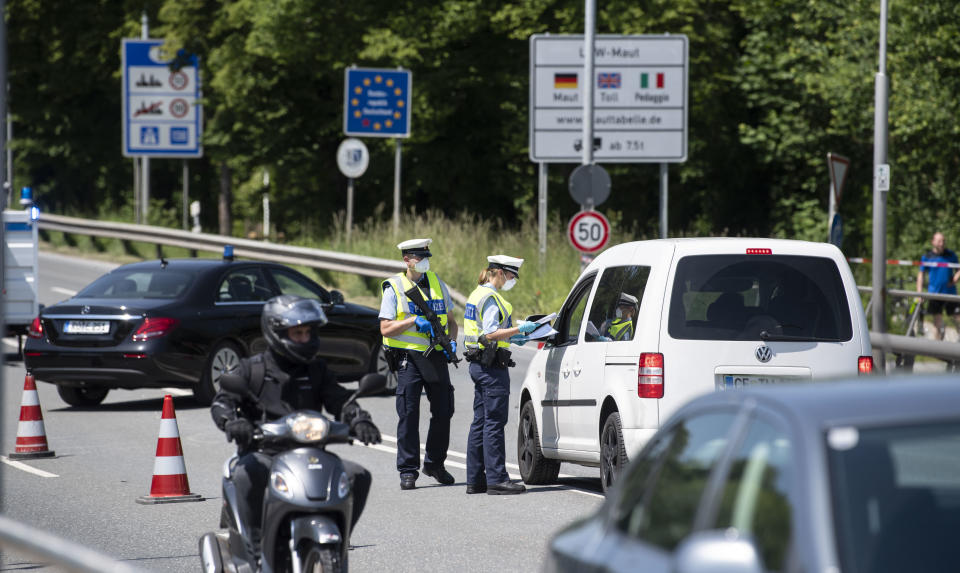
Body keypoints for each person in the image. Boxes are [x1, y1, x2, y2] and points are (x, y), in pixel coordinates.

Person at [210, 295, 382, 552]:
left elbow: (341, 400)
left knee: (358, 475)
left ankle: (339, 543)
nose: (304, 339)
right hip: (264, 454)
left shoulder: (317, 370)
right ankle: (257, 549)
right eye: (297, 333)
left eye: (308, 333)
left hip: (311, 456)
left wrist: (359, 419)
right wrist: (233, 422)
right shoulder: (251, 369)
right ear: (276, 333)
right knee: (247, 474)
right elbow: (222, 402)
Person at [379, 238, 459, 490]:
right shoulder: (394, 287)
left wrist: (453, 342)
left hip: (435, 355)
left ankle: (435, 463)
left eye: (427, 257)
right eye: (420, 258)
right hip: (408, 358)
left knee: (444, 410)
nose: (425, 262)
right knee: (409, 413)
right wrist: (413, 321)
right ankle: (408, 469)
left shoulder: (437, 283)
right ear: (407, 260)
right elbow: (385, 328)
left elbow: (453, 321)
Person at [462, 255, 538, 495]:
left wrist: (515, 337)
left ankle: (475, 479)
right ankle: (496, 479)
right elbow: (491, 333)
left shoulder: (477, 294)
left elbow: (486, 333)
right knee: (494, 422)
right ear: (501, 273)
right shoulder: (492, 298)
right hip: (492, 367)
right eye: (512, 275)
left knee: (481, 422)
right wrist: (519, 329)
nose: (512, 280)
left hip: (479, 364)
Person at [916, 231, 960, 340]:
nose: (942, 243)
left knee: (958, 318)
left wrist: (955, 279)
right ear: (933, 242)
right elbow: (921, 275)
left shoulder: (951, 255)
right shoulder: (927, 257)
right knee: (937, 322)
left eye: (943, 241)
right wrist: (919, 293)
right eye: (939, 241)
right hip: (935, 293)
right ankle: (938, 349)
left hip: (950, 293)